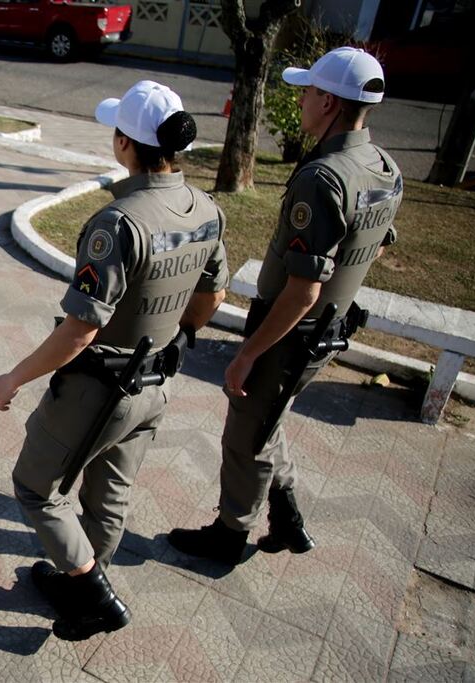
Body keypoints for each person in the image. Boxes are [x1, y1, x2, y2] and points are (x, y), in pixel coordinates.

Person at [0, 80, 229, 641]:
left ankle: (95, 595)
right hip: (158, 383)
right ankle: (82, 584)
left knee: (35, 488)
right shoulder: (208, 209)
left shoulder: (118, 223)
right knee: (109, 493)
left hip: (98, 387)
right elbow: (212, 298)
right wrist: (177, 329)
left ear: (125, 143)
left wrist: (13, 378)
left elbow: (81, 329)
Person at [168, 47, 404, 565]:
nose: (299, 100)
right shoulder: (383, 167)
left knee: (247, 435)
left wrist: (248, 353)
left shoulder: (324, 178)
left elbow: (303, 290)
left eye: (305, 91)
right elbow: (380, 243)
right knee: (268, 420)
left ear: (326, 100)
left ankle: (230, 536)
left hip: (290, 331)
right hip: (327, 330)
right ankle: (288, 517)